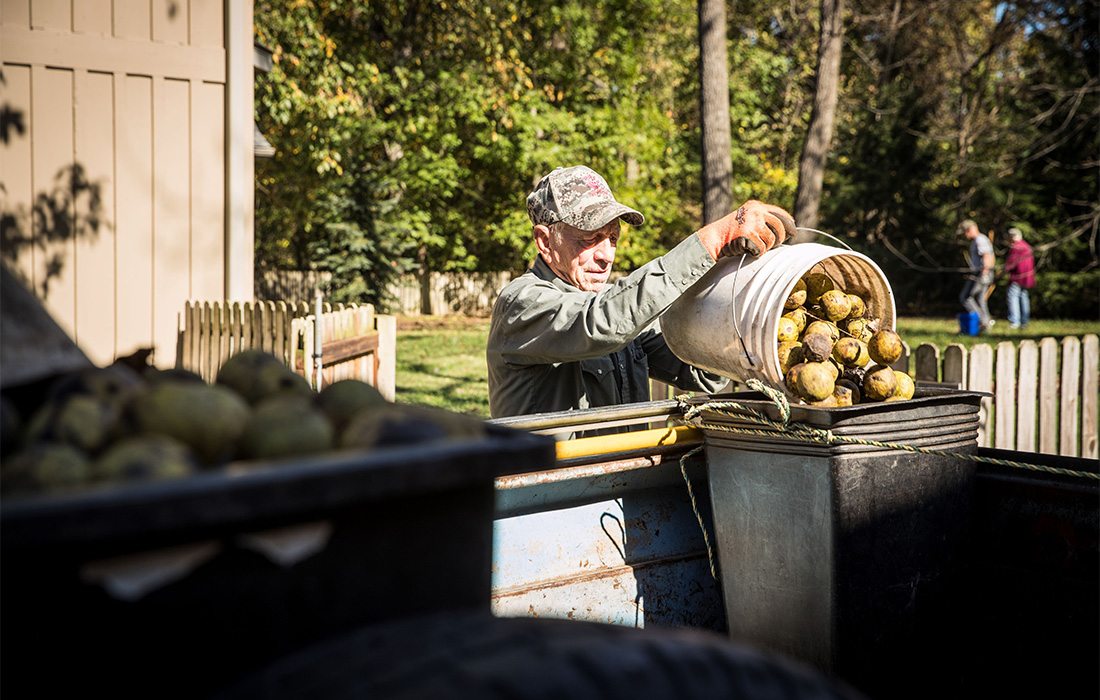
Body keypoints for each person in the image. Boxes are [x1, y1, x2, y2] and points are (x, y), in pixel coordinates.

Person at [486, 165, 796, 423]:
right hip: (552, 492)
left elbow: (703, 374)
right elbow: (602, 324)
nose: (606, 255)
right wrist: (711, 241)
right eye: (590, 239)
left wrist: (727, 283)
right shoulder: (522, 303)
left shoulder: (617, 306)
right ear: (544, 240)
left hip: (628, 481)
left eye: (612, 239)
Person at [957, 219, 995, 332]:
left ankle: (982, 321)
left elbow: (987, 256)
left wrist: (984, 273)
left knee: (966, 297)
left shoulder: (980, 240)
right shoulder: (978, 240)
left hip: (982, 274)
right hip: (981, 273)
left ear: (970, 230)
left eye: (965, 232)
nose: (965, 235)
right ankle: (986, 323)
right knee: (980, 300)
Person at [1003, 226, 1035, 329]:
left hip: (1018, 277)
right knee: (1023, 297)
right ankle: (1024, 321)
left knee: (1013, 297)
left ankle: (1015, 322)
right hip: (1027, 278)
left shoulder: (1016, 247)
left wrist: (1004, 270)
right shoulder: (1027, 246)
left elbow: (1011, 263)